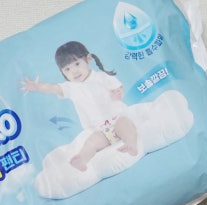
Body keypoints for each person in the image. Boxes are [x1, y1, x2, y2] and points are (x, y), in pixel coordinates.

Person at [20, 41, 138, 171]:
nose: (74, 71)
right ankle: (82, 159)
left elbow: (119, 89)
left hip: (117, 119)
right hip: (100, 130)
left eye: (77, 64)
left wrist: (118, 94)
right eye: (67, 69)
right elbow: (53, 88)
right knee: (91, 142)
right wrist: (37, 87)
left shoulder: (102, 77)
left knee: (125, 127)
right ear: (63, 72)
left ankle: (131, 144)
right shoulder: (70, 88)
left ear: (88, 59)